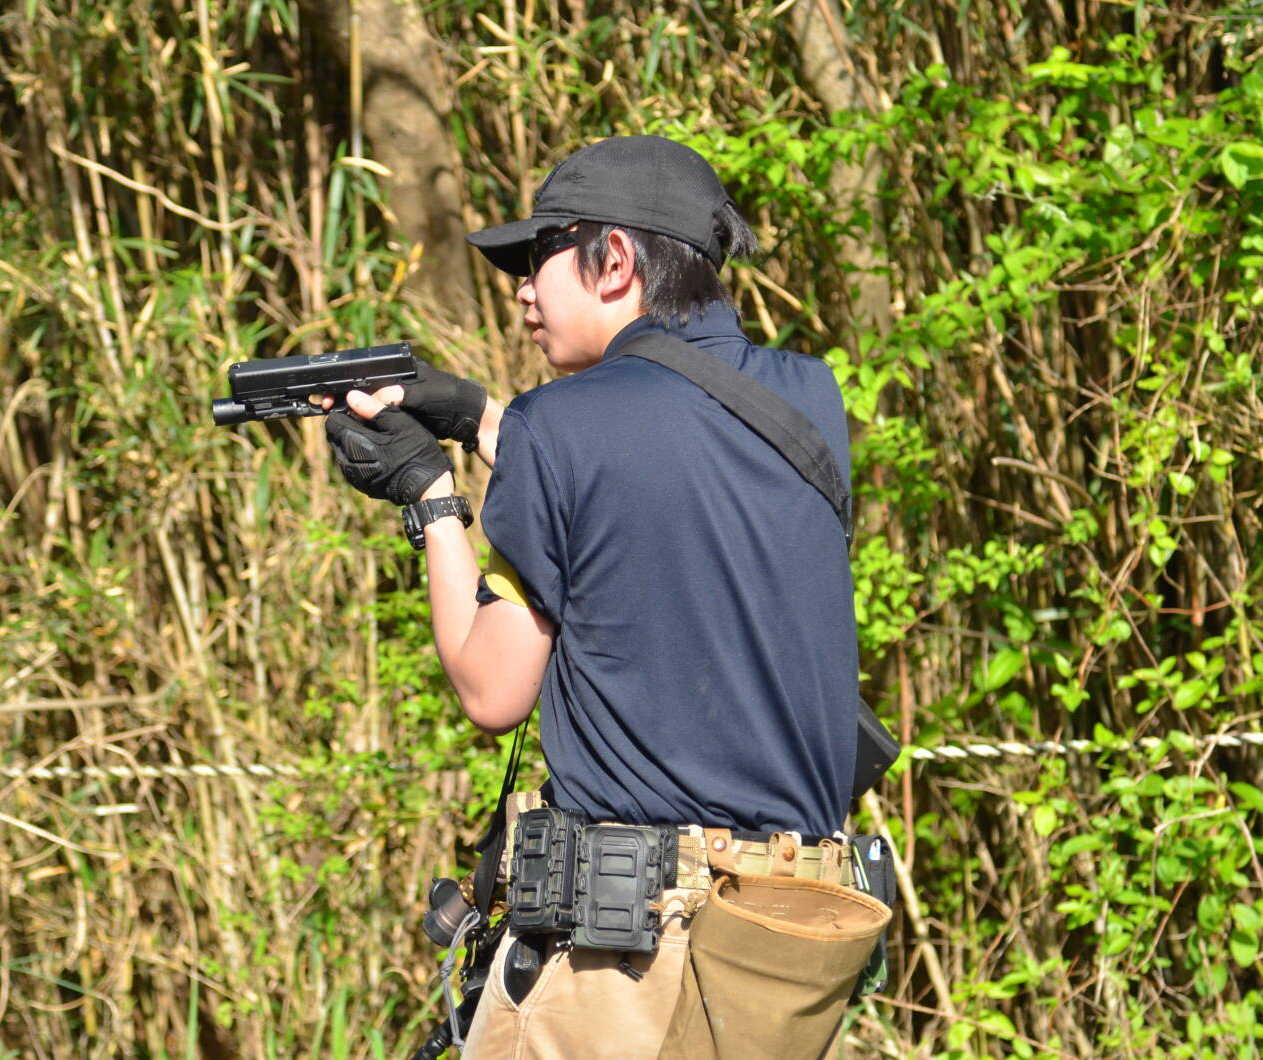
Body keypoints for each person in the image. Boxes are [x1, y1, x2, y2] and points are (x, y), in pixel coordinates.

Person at [324, 135, 890, 1059]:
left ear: (615, 260)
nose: (522, 289)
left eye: (540, 255)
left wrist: (429, 497)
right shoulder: (809, 403)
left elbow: (492, 688)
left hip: (629, 964)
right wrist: (476, 416)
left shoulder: (560, 426)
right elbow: (654, 463)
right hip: (784, 956)